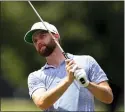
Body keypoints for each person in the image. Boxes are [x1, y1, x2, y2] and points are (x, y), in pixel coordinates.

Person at [24, 21, 113, 111]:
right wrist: (68, 81)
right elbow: (41, 103)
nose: (38, 42)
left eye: (42, 36)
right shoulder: (35, 76)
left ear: (56, 36)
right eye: (35, 41)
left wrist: (87, 84)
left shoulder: (86, 61)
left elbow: (108, 98)